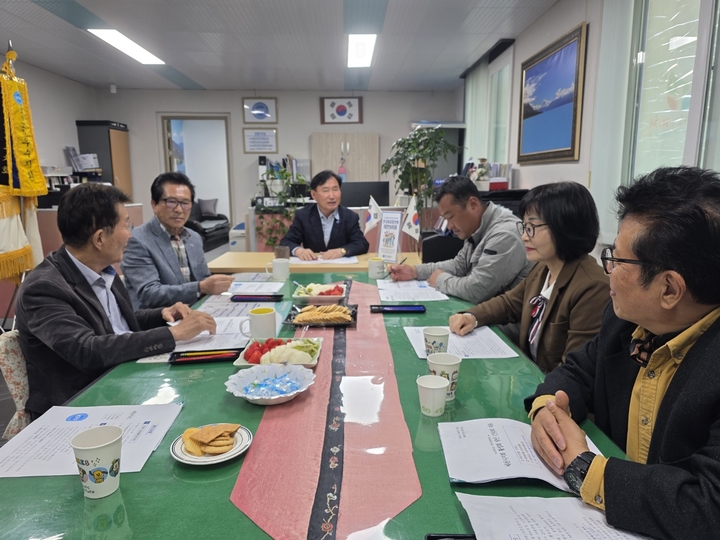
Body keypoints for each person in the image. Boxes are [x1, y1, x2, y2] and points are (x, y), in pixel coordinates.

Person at [526, 166, 720, 539]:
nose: (608, 271)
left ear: (669, 289)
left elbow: (708, 506)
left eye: (617, 259)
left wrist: (583, 467)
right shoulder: (626, 322)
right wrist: (546, 409)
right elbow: (578, 370)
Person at [15, 183, 216, 418]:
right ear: (100, 238)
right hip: (80, 405)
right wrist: (174, 334)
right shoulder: (44, 288)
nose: (130, 234)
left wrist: (162, 314)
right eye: (126, 225)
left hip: (124, 379)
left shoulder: (103, 270)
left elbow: (117, 324)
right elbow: (87, 350)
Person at [449, 182, 609, 373]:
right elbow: (509, 304)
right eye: (524, 226)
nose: (524, 236)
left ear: (566, 227)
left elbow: (573, 371)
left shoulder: (592, 288)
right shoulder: (543, 268)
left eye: (532, 227)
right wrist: (471, 316)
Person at [388, 176, 533, 304]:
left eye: (451, 217)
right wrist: (414, 271)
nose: (449, 226)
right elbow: (458, 265)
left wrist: (440, 280)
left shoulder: (505, 235)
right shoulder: (476, 228)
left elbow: (477, 289)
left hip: (503, 323)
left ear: (473, 205)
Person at [121, 172, 233, 309]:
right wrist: (200, 287)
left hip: (195, 310)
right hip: (158, 317)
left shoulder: (194, 238)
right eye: (171, 202)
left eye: (185, 203)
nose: (179, 209)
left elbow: (204, 278)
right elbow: (149, 293)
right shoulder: (137, 240)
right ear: (154, 205)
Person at [279, 170, 369, 261]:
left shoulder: (349, 217)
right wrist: (299, 251)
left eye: (335, 189)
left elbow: (361, 244)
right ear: (314, 195)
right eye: (326, 190)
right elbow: (286, 242)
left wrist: (341, 251)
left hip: (340, 268)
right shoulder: (303, 215)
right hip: (313, 266)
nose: (332, 196)